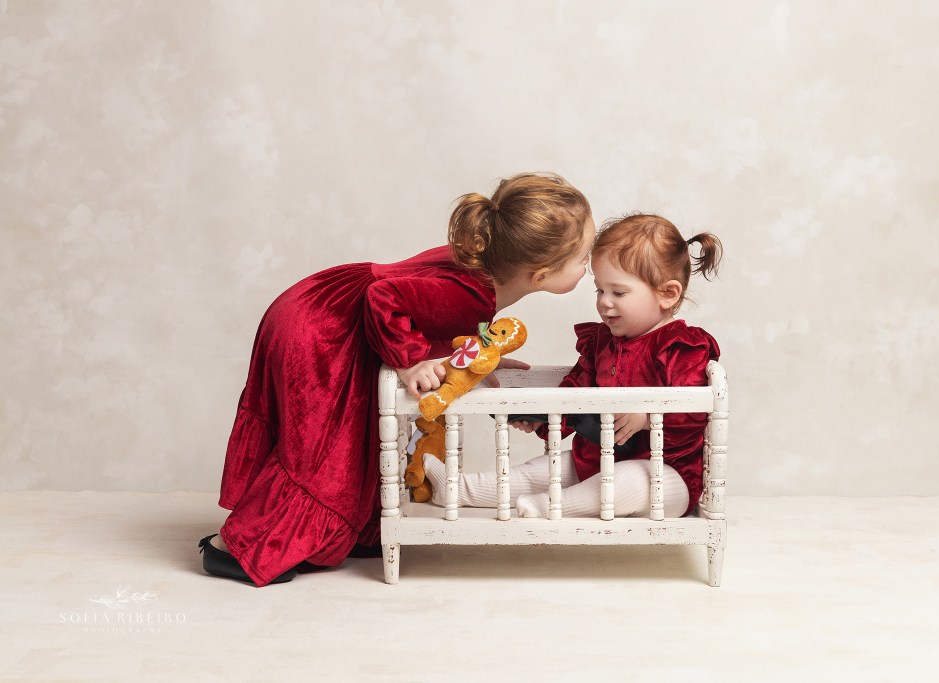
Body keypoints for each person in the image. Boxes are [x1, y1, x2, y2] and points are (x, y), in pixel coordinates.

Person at [199, 173, 595, 586]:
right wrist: (407, 362)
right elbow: (383, 299)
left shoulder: (484, 264)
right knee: (321, 445)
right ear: (541, 275)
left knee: (355, 436)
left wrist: (476, 360)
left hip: (320, 307)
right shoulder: (475, 294)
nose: (587, 268)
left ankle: (341, 531)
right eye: (582, 259)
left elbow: (426, 309)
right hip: (322, 326)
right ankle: (240, 550)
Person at [420, 214, 721, 519]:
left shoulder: (682, 346)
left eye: (618, 292)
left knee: (629, 480)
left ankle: (552, 505)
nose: (605, 302)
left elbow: (695, 411)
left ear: (667, 294)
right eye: (600, 290)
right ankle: (459, 489)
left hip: (667, 474)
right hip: (597, 457)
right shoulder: (600, 342)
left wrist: (647, 418)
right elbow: (575, 392)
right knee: (540, 470)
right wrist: (545, 419)